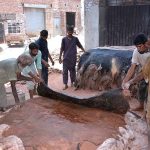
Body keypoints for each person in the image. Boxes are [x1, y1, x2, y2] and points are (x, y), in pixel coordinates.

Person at [122, 33, 150, 110]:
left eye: (140, 46)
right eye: (136, 47)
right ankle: (141, 105)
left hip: (147, 72)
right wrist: (125, 81)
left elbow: (144, 73)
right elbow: (132, 67)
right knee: (142, 85)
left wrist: (130, 82)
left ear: (146, 44)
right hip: (145, 72)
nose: (138, 49)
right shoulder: (136, 52)